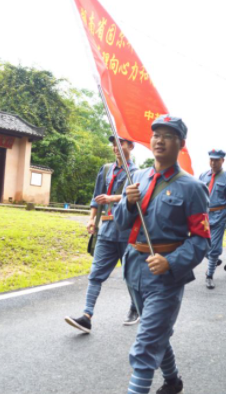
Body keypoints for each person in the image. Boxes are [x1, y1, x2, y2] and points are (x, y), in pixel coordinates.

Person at [114, 115, 210, 394]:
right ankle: (173, 380)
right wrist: (128, 204)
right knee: (156, 331)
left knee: (145, 344)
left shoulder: (192, 188)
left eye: (167, 135)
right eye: (156, 134)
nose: (159, 140)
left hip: (165, 276)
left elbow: (202, 240)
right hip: (134, 268)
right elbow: (121, 222)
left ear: (180, 143)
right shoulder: (138, 178)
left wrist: (171, 262)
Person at [65, 136, 139, 333]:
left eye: (121, 143)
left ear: (131, 146)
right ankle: (87, 316)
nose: (117, 147)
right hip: (106, 230)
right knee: (96, 274)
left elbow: (137, 198)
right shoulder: (106, 170)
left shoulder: (137, 174)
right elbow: (96, 196)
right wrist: (91, 219)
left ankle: (136, 307)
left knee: (130, 275)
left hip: (126, 232)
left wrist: (113, 197)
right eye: (114, 144)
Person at [199, 149, 226, 288]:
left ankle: (210, 274)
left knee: (214, 247)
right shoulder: (203, 175)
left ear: (222, 161)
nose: (213, 163)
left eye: (216, 160)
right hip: (203, 216)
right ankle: (213, 259)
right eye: (211, 160)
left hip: (219, 215)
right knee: (199, 243)